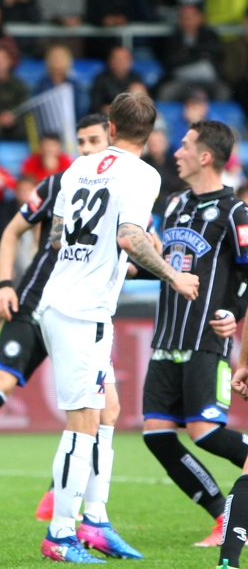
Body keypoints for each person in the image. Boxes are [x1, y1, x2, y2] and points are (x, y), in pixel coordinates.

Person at [36, 93, 199, 562]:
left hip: (67, 299)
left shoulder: (76, 167)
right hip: (81, 311)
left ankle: (96, 523)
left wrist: (109, 259)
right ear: (149, 137)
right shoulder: (144, 174)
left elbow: (57, 235)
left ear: (109, 127)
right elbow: (129, 236)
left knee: (108, 410)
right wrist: (171, 273)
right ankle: (60, 535)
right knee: (83, 421)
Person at [0, 115, 111, 519]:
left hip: (82, 313)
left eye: (93, 141)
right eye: (80, 142)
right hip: (32, 305)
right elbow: (12, 232)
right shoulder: (56, 185)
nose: (85, 150)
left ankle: (56, 498)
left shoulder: (123, 194)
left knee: (101, 410)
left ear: (110, 142)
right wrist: (5, 284)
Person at [141, 120, 248, 547]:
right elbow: (170, 265)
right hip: (166, 338)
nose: (176, 152)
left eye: (185, 146)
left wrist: (233, 312)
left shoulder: (236, 211)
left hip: (206, 341)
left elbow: (246, 273)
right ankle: (223, 515)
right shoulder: (173, 203)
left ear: (206, 156)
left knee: (205, 432)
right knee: (157, 435)